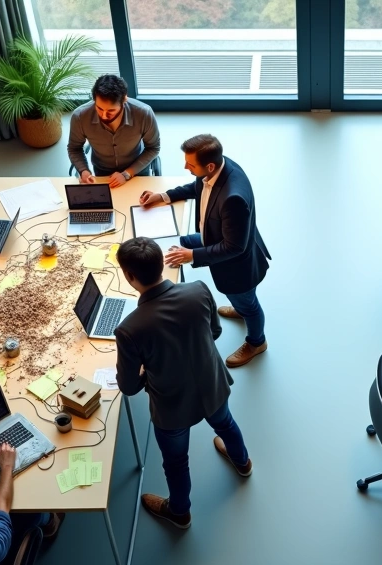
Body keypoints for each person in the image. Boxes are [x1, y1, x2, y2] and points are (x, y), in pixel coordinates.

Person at [114, 238, 253, 529]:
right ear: (162, 263)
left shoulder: (128, 329)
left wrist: (146, 375)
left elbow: (127, 387)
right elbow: (214, 331)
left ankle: (179, 512)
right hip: (212, 384)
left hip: (172, 407)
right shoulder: (198, 290)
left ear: (130, 277)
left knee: (176, 461)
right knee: (225, 423)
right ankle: (242, 462)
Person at [141, 134, 272, 368]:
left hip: (237, 264)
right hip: (212, 235)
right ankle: (240, 308)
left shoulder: (233, 198)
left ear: (208, 165)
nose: (185, 166)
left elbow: (234, 247)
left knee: (249, 304)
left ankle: (257, 342)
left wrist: (191, 256)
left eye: (190, 164)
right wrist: (163, 196)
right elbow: (197, 186)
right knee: (178, 240)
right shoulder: (219, 166)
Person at [68, 74, 161, 187]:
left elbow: (153, 148)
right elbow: (74, 148)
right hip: (102, 172)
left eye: (111, 111)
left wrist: (126, 174)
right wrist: (84, 171)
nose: (104, 115)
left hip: (137, 170)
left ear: (124, 100)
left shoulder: (144, 113)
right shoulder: (80, 117)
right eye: (99, 108)